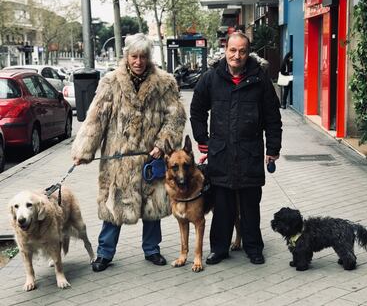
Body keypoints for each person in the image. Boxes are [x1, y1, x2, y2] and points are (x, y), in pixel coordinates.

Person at [71, 33, 186, 272]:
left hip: (151, 158)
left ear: (149, 57)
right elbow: (96, 117)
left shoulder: (165, 83)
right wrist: (84, 150)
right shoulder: (111, 82)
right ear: (126, 56)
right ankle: (104, 253)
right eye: (134, 56)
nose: (138, 61)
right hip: (118, 161)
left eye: (143, 56)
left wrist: (162, 144)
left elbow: (175, 117)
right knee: (114, 207)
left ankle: (152, 249)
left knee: (152, 207)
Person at [190, 32, 283, 265]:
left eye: (242, 51)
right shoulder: (211, 78)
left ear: (247, 52)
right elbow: (197, 110)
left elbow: (273, 117)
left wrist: (273, 148)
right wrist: (202, 139)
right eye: (233, 50)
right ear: (225, 50)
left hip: (250, 152)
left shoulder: (260, 80)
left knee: (251, 205)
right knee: (222, 205)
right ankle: (219, 249)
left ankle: (254, 248)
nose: (237, 55)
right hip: (220, 153)